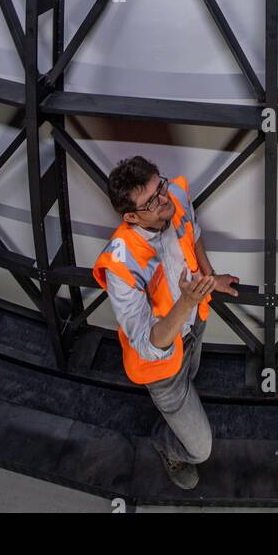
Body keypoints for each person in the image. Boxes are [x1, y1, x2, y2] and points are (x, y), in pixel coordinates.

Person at [92, 154, 240, 490]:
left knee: (193, 375)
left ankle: (177, 417)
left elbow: (193, 230)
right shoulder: (121, 265)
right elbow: (146, 344)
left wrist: (209, 277)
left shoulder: (173, 196)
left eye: (161, 185)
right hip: (162, 368)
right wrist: (186, 301)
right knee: (200, 449)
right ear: (131, 216)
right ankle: (165, 442)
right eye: (152, 201)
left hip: (195, 328)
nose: (164, 200)